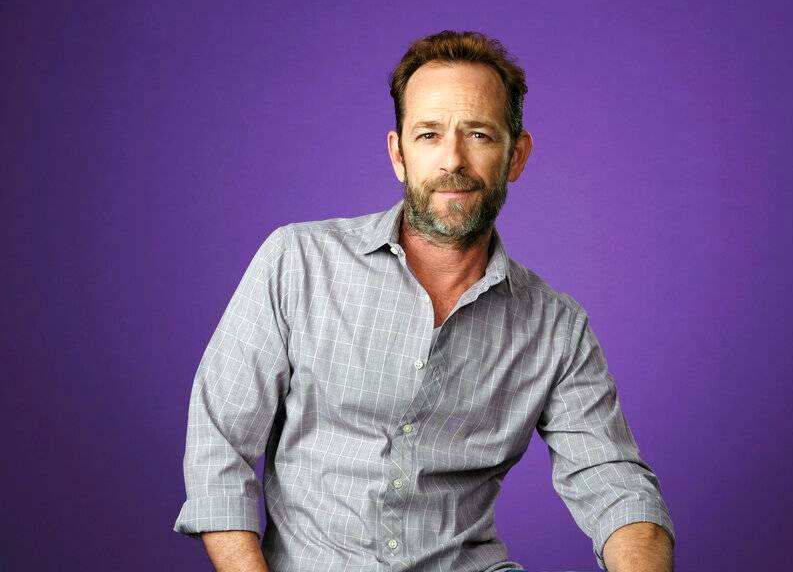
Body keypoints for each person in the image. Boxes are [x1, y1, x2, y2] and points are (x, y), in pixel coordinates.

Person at [172, 30, 676, 572]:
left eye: (479, 134)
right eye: (429, 134)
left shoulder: (556, 327)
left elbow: (614, 484)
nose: (452, 160)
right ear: (399, 154)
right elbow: (218, 445)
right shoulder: (298, 262)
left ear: (516, 156)